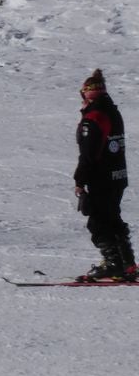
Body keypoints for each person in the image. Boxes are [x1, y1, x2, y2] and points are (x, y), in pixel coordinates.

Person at [74, 69, 131, 281]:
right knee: (112, 217)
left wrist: (80, 181)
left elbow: (88, 154)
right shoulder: (112, 111)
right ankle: (127, 263)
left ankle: (113, 264)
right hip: (118, 175)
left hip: (102, 176)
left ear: (86, 95)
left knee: (98, 222)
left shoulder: (94, 117)